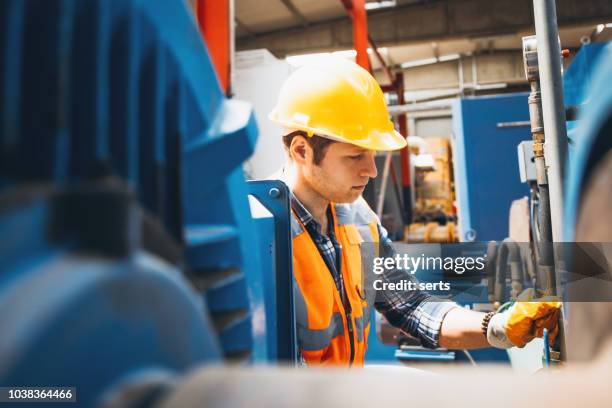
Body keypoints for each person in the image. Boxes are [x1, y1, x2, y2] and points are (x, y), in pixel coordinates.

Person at [268, 58, 560, 366]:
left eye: (372, 155)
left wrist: (496, 327)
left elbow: (411, 306)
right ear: (302, 150)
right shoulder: (264, 238)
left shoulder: (357, 219)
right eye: (355, 156)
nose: (372, 170)